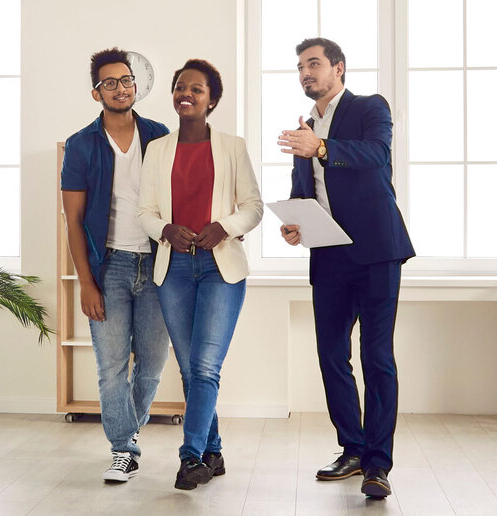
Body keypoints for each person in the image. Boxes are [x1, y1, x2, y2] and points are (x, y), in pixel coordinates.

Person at [277, 38, 415, 499]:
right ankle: (352, 449)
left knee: (377, 359)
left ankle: (378, 465)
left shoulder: (370, 107)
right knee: (332, 357)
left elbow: (375, 155)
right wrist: (295, 223)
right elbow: (306, 190)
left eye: (314, 64)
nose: (305, 73)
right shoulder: (305, 129)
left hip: (377, 252)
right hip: (329, 256)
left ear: (339, 68)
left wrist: (320, 147)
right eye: (300, 67)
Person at [138, 59, 263, 490]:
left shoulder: (232, 146)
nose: (185, 93)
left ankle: (190, 458)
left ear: (212, 100)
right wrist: (165, 230)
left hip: (220, 268)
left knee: (206, 365)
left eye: (197, 88)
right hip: (173, 268)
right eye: (179, 87)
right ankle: (212, 450)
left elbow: (253, 206)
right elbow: (145, 213)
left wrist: (224, 227)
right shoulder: (157, 149)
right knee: (191, 370)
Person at [60, 48, 171, 483]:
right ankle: (123, 448)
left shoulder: (160, 135)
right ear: (96, 92)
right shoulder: (81, 144)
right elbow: (72, 220)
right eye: (110, 83)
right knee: (109, 367)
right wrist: (86, 282)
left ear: (135, 86)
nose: (121, 88)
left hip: (159, 265)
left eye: (126, 81)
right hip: (110, 268)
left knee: (152, 363)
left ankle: (129, 431)